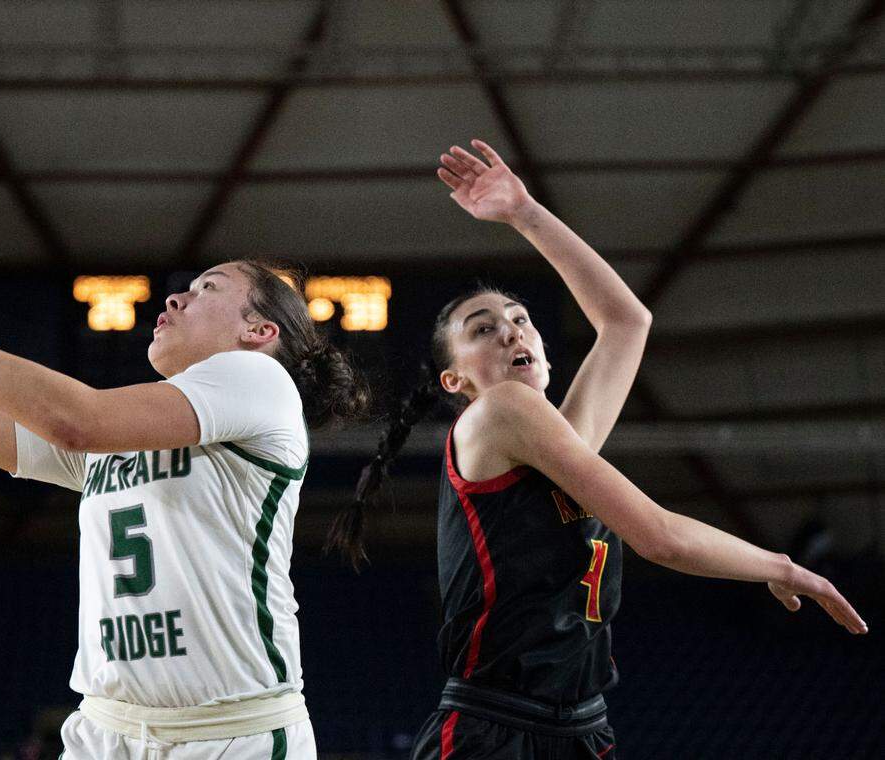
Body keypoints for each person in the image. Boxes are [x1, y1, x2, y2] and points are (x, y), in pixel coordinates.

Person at [326, 139, 867, 760]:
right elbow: (658, 536)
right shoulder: (499, 412)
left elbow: (627, 322)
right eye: (482, 329)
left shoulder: (561, 440)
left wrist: (525, 211)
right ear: (456, 382)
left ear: (546, 350)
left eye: (521, 318)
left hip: (582, 727)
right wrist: (781, 565)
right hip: (496, 732)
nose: (510, 329)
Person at [0, 196, 368, 759]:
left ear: (260, 331)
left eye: (208, 288)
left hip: (229, 737)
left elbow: (77, 420)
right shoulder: (119, 439)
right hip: (107, 730)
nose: (176, 296)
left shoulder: (261, 383)